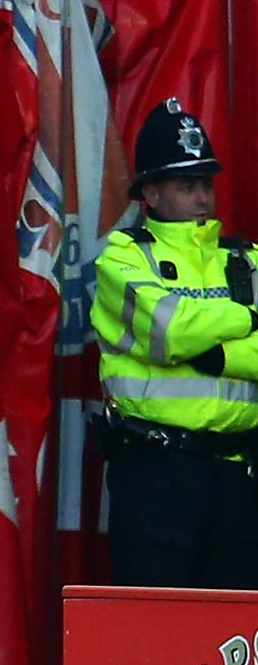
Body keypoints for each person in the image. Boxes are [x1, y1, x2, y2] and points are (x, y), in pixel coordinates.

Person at [92, 98, 258, 588]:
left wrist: (219, 354)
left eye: (206, 184)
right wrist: (247, 315)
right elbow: (170, 330)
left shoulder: (246, 258)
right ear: (152, 194)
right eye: (187, 186)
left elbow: (188, 334)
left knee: (231, 643)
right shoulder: (122, 259)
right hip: (155, 474)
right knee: (153, 632)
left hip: (237, 475)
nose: (202, 198)